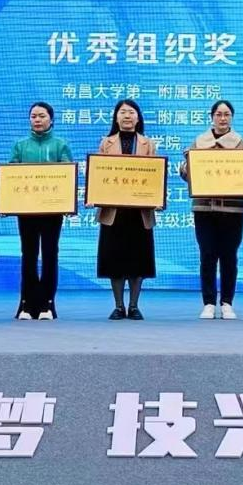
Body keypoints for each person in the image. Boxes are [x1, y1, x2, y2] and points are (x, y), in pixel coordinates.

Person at [180, 100, 243, 320]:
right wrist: (187, 166)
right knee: (207, 255)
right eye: (219, 114)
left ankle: (227, 302)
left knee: (229, 256)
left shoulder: (242, 144)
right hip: (204, 209)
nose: (222, 118)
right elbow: (185, 174)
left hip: (233, 210)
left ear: (232, 117)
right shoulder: (199, 143)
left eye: (227, 114)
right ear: (211, 117)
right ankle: (209, 303)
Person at [10, 101, 73, 321]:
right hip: (26, 211)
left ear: (51, 119)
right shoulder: (20, 145)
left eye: (42, 116)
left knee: (49, 254)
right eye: (34, 116)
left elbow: (67, 176)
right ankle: (26, 304)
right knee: (28, 255)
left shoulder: (60, 145)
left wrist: (67, 201)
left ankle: (47, 303)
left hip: (52, 212)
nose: (37, 120)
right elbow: (11, 176)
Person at [96, 99, 157, 321]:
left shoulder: (148, 144)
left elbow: (155, 176)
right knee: (115, 260)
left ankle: (134, 306)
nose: (127, 116)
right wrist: (95, 196)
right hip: (114, 211)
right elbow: (99, 175)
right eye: (122, 112)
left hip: (139, 212)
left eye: (131, 112)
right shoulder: (106, 143)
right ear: (116, 117)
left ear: (138, 118)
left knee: (138, 259)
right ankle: (119, 306)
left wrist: (156, 198)